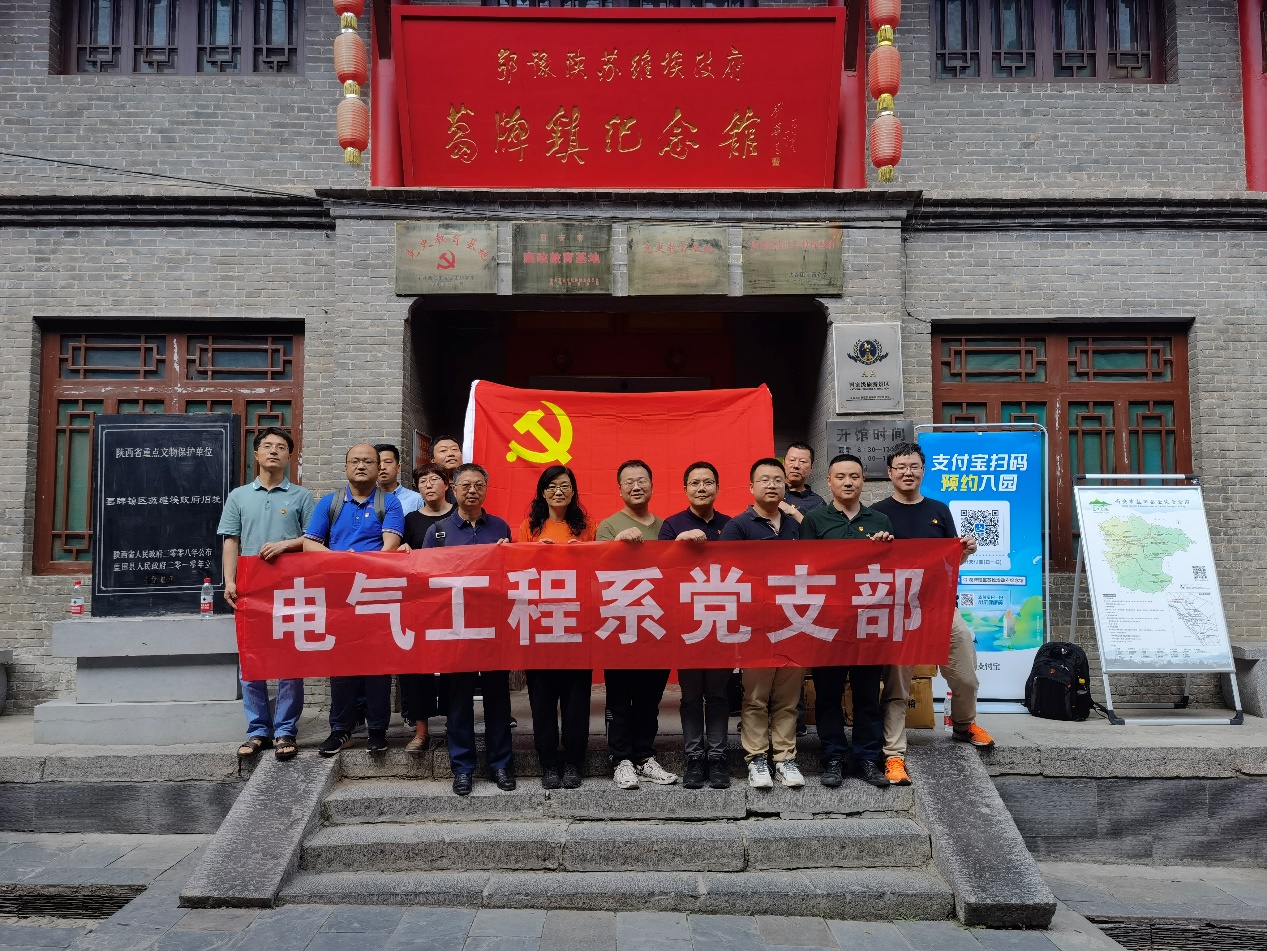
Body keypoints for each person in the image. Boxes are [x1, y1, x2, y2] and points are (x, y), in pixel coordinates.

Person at [872, 442, 995, 786]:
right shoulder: (878, 514)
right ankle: (893, 754)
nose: (907, 472)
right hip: (898, 609)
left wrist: (965, 551)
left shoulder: (939, 510)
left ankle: (963, 725)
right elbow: (869, 566)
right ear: (890, 473)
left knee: (965, 675)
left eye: (914, 466)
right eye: (901, 467)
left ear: (923, 470)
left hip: (941, 606)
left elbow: (949, 561)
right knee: (897, 685)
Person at [218, 427, 314, 763]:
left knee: (289, 659)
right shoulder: (239, 496)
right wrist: (229, 580)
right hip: (250, 586)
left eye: (281, 447)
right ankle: (258, 730)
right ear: (256, 455)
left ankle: (286, 729)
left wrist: (286, 545)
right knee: (251, 660)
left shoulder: (301, 496)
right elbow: (231, 539)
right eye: (267, 446)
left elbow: (313, 539)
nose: (274, 451)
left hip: (290, 586)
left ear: (290, 456)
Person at [303, 444, 405, 757]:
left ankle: (377, 731)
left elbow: (390, 546)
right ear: (346, 466)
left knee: (378, 668)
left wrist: (359, 563)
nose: (361, 466)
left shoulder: (389, 503)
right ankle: (341, 729)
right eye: (355, 461)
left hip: (376, 595)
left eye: (368, 461)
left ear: (379, 468)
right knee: (341, 668)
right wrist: (339, 560)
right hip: (339, 597)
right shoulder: (330, 502)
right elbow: (310, 544)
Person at [800, 453, 895, 789]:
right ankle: (834, 756)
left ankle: (868, 757)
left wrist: (884, 549)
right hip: (828, 622)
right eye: (840, 477)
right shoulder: (814, 521)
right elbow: (807, 568)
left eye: (854, 476)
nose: (848, 482)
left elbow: (892, 571)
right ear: (829, 481)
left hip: (869, 622)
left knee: (868, 694)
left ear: (863, 480)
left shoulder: (880, 520)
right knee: (828, 694)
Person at [423, 463, 516, 796]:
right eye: (466, 485)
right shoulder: (438, 532)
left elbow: (514, 576)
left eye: (478, 485)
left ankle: (501, 764)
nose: (472, 490)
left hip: (493, 628)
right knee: (458, 702)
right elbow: (425, 579)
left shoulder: (500, 527)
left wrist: (508, 554)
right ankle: (462, 768)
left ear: (486, 489)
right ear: (454, 489)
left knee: (497, 700)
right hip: (456, 630)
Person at [721, 458, 804, 789]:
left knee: (788, 697)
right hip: (756, 625)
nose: (772, 485)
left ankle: (785, 758)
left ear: (785, 486)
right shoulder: (738, 527)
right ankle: (756, 758)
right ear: (751, 487)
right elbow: (727, 574)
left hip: (795, 622)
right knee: (756, 697)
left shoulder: (797, 526)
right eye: (765, 479)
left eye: (778, 480)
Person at [597, 460, 679, 790]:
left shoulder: (666, 527)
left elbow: (675, 571)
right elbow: (596, 571)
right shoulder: (608, 526)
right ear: (619, 489)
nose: (636, 486)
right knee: (619, 697)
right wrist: (616, 544)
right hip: (620, 623)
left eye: (642, 480)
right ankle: (621, 760)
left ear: (652, 486)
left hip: (656, 625)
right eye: (629, 481)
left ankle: (645, 756)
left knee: (649, 698)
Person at [517, 465, 596, 789]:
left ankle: (575, 761)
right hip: (541, 624)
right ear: (542, 492)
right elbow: (517, 573)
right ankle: (549, 763)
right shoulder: (529, 527)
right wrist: (535, 554)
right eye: (551, 486)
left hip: (578, 622)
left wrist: (585, 554)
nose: (558, 491)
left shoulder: (587, 527)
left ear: (574, 491)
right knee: (542, 699)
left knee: (577, 699)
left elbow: (601, 571)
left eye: (565, 485)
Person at [660, 462, 732, 790]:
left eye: (708, 482)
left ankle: (717, 757)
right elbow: (659, 568)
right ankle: (693, 758)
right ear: (685, 489)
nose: (701, 488)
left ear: (717, 487)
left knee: (717, 694)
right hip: (687, 624)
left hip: (721, 620)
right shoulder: (672, 525)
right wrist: (679, 542)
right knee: (691, 696)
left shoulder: (731, 526)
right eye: (695, 483)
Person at [397, 463, 456, 753]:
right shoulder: (410, 520)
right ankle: (421, 732)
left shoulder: (459, 516)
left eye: (434, 479)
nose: (429, 485)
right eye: (422, 481)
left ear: (447, 485)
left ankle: (454, 726)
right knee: (417, 666)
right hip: (419, 602)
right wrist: (403, 550)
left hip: (453, 602)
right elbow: (397, 552)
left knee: (454, 665)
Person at [778, 442, 826, 525]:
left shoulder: (818, 504)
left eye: (803, 461)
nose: (796, 466)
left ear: (811, 468)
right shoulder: (772, 492)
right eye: (792, 460)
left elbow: (819, 532)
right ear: (783, 463)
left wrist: (794, 513)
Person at [377, 443, 422, 515]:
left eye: (388, 462)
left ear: (398, 468)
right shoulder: (366, 498)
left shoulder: (416, 499)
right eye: (378, 463)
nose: (382, 467)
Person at [431, 434, 463, 504]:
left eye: (454, 449)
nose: (451, 454)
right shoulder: (428, 487)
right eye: (443, 450)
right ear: (433, 460)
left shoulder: (472, 485)